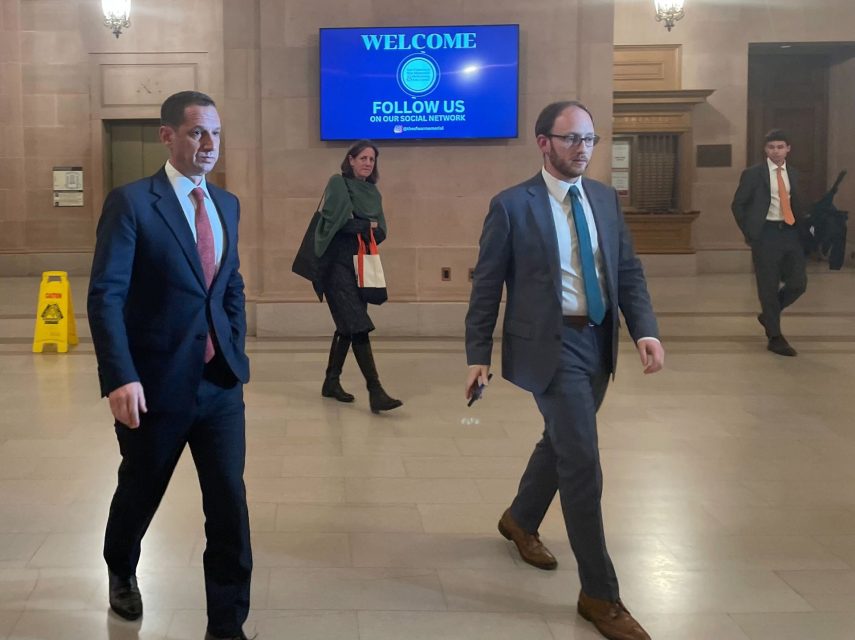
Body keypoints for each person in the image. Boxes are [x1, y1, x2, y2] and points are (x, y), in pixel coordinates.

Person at [464, 101, 664, 640]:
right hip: (547, 349)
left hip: (598, 340)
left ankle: (520, 519)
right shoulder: (511, 206)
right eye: (572, 139)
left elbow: (625, 268)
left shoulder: (602, 198)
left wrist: (644, 329)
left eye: (590, 139)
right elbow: (486, 286)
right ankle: (600, 594)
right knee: (582, 460)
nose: (583, 149)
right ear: (543, 142)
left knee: (561, 442)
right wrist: (476, 356)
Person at [88, 91, 253, 640]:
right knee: (141, 490)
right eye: (196, 133)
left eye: (215, 134)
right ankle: (120, 567)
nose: (209, 146)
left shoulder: (227, 204)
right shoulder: (133, 203)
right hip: (155, 385)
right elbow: (106, 295)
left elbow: (229, 282)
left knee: (229, 504)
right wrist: (119, 375)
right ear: (168, 136)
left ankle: (226, 626)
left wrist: (234, 343)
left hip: (219, 382)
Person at [310, 140, 402, 413]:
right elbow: (336, 224)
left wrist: (363, 226)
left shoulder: (372, 192)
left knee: (348, 327)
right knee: (358, 324)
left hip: (360, 264)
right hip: (335, 265)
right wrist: (364, 225)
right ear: (350, 160)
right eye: (362, 157)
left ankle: (331, 382)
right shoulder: (338, 183)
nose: (367, 163)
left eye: (371, 159)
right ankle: (375, 390)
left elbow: (381, 230)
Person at [731, 129, 807, 356]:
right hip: (766, 234)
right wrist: (751, 232)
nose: (776, 151)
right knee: (768, 287)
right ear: (766, 150)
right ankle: (775, 336)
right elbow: (738, 205)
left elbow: (799, 204)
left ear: (788, 149)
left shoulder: (794, 174)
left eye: (780, 147)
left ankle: (768, 315)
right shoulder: (753, 174)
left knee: (798, 283)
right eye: (772, 147)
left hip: (791, 233)